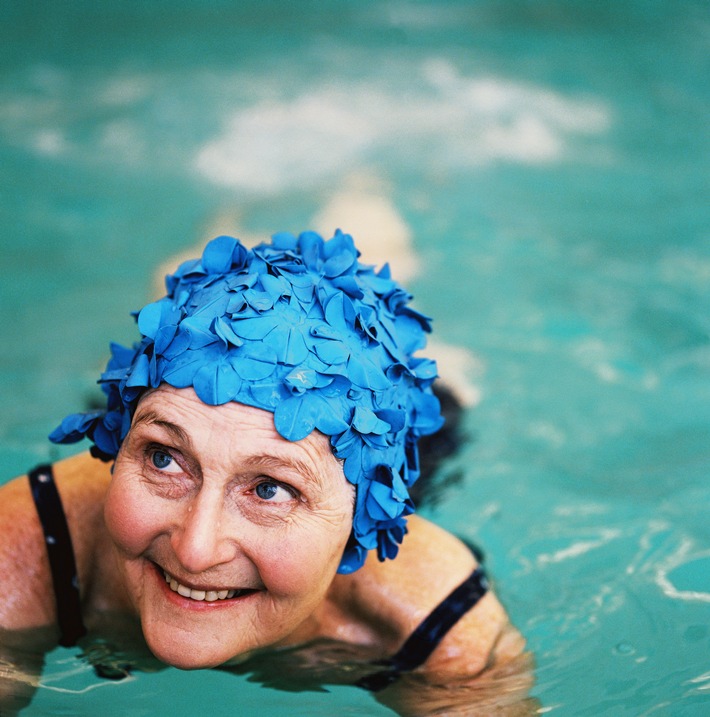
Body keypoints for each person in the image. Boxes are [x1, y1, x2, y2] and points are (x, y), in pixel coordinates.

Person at [0, 231, 529, 714]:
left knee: (435, 366)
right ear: (120, 446)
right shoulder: (29, 549)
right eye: (163, 457)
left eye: (270, 489)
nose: (195, 551)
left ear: (357, 520)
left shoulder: (434, 628)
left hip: (401, 424)